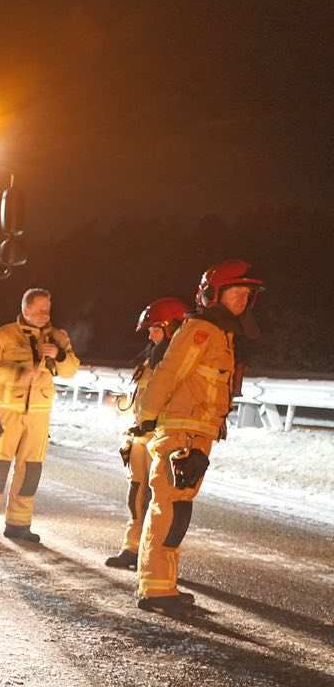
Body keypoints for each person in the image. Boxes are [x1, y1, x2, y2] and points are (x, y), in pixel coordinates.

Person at [133, 260, 261, 613]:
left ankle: (164, 585)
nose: (241, 299)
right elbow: (169, 373)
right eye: (236, 291)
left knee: (178, 510)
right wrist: (147, 418)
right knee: (168, 508)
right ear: (213, 293)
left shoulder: (223, 333)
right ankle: (155, 589)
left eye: (246, 294)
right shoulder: (200, 329)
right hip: (180, 432)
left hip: (198, 434)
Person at [0, 287, 80, 542]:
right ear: (26, 308)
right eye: (40, 309)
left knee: (30, 470)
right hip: (6, 412)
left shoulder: (57, 337)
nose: (45, 315)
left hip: (39, 416)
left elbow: (71, 370)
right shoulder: (4, 336)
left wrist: (60, 355)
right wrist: (18, 374)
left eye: (48, 310)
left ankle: (18, 525)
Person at [106, 296, 188, 570]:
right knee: (136, 496)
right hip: (140, 439)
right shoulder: (149, 360)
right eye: (150, 330)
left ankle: (153, 557)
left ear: (173, 328)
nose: (151, 335)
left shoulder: (178, 363)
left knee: (159, 501)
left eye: (156, 329)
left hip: (163, 441)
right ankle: (131, 548)